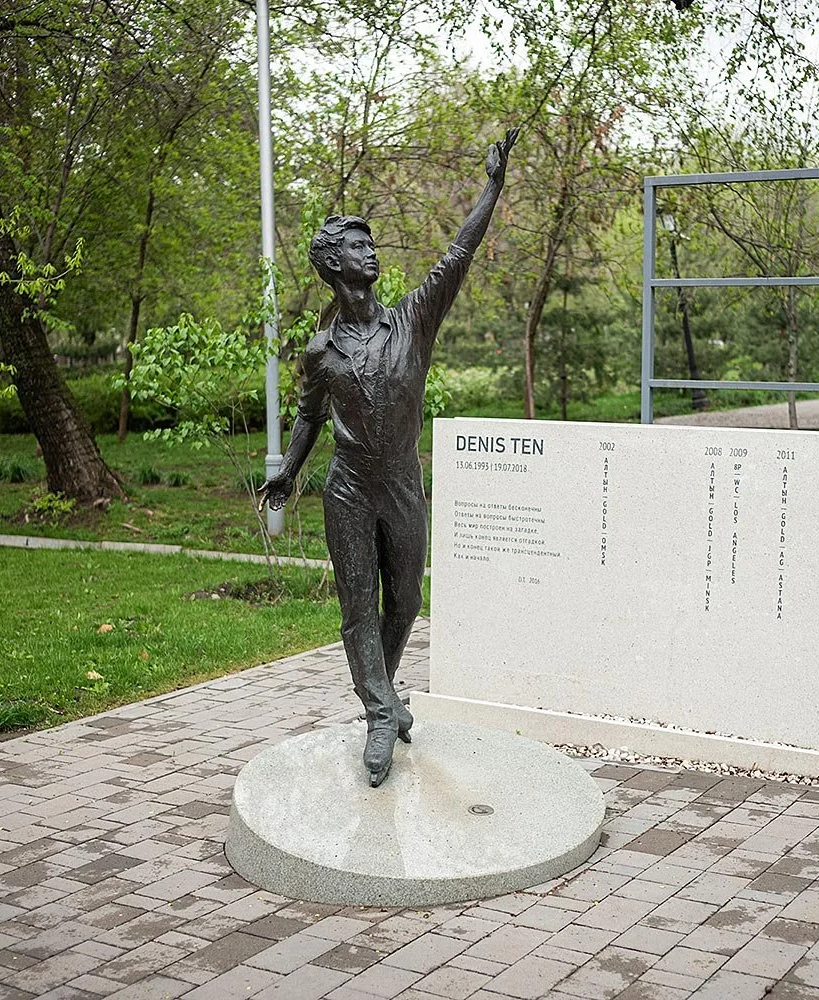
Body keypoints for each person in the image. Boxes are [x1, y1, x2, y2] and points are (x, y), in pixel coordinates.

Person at [257, 128, 518, 787]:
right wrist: (288, 470)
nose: (370, 250)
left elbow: (458, 253)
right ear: (333, 265)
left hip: (401, 480)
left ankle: (384, 693)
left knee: (405, 600)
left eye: (369, 243)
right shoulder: (319, 350)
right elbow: (310, 414)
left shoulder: (411, 321)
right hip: (347, 487)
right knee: (356, 603)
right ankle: (379, 709)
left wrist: (492, 186)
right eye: (356, 245)